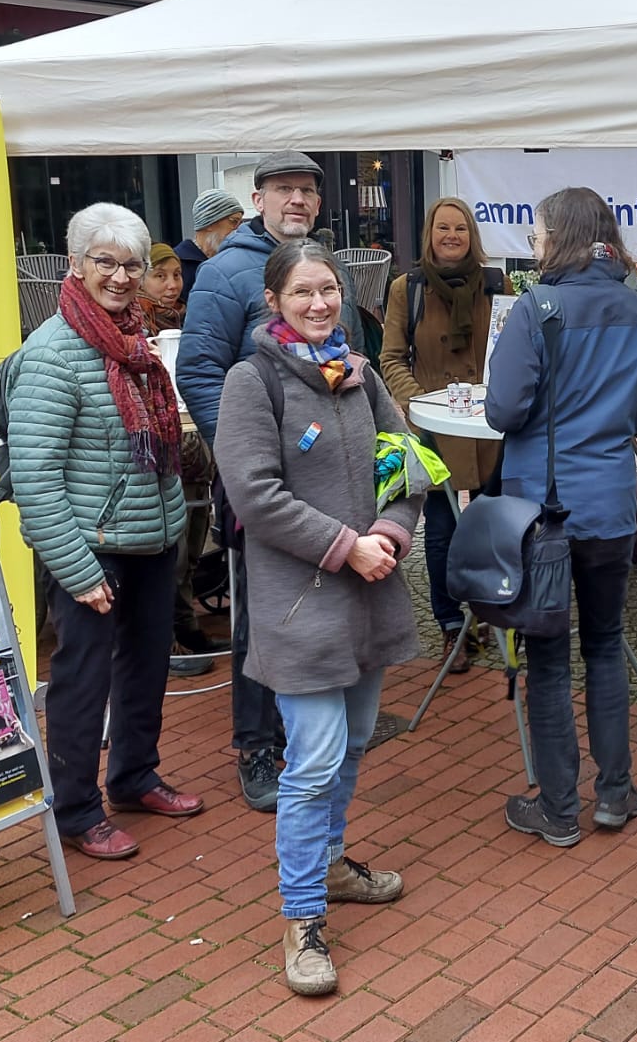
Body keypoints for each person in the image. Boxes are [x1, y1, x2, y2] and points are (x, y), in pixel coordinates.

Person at [212, 240, 418, 997]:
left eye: (328, 288)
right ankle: (300, 917)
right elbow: (255, 495)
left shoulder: (360, 375)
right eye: (302, 291)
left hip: (369, 594)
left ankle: (330, 864)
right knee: (316, 760)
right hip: (301, 605)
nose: (319, 303)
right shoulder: (253, 381)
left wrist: (389, 533)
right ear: (274, 300)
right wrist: (345, 546)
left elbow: (407, 463)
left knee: (355, 743)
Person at [486, 187, 637, 848]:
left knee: (548, 656)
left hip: (543, 511)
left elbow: (503, 411)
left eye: (538, 234)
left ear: (560, 237)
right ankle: (615, 792)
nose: (534, 245)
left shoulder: (536, 308)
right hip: (611, 505)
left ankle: (559, 808)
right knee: (604, 643)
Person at [8, 201, 197, 861]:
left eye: (132, 265)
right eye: (105, 262)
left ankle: (134, 776)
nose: (120, 276)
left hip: (149, 536)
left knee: (145, 665)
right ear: (75, 264)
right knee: (83, 681)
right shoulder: (51, 355)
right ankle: (76, 809)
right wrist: (78, 570)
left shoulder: (135, 342)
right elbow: (35, 479)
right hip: (90, 547)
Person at [179, 152, 343, 812]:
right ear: (258, 199)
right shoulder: (225, 272)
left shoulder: (321, 266)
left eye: (307, 190)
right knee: (261, 615)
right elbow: (198, 370)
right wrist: (246, 456)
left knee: (316, 607)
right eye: (284, 190)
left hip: (323, 479)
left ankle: (303, 734)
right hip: (263, 485)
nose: (296, 199)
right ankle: (255, 745)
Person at [379, 198, 505, 672]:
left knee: (492, 528)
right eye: (443, 228)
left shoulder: (495, 284)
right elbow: (391, 357)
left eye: (460, 228)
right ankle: (451, 622)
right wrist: (421, 404)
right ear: (429, 235)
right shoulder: (406, 289)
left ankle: (489, 611)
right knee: (442, 532)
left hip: (489, 428)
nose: (451, 236)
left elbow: (509, 348)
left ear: (472, 235)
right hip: (435, 429)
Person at [140, 244, 217, 672]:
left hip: (191, 440)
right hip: (159, 446)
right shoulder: (140, 324)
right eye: (160, 276)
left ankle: (187, 623)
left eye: (175, 275)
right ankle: (168, 633)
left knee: (193, 539)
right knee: (173, 546)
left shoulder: (186, 318)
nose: (171, 285)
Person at [174, 188, 246, 300]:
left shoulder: (235, 261)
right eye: (233, 222)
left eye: (241, 223)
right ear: (209, 223)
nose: (239, 229)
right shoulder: (178, 264)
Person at [140, 243, 187, 332]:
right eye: (160, 276)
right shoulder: (133, 320)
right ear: (141, 280)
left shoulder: (189, 316)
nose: (173, 285)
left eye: (176, 274)